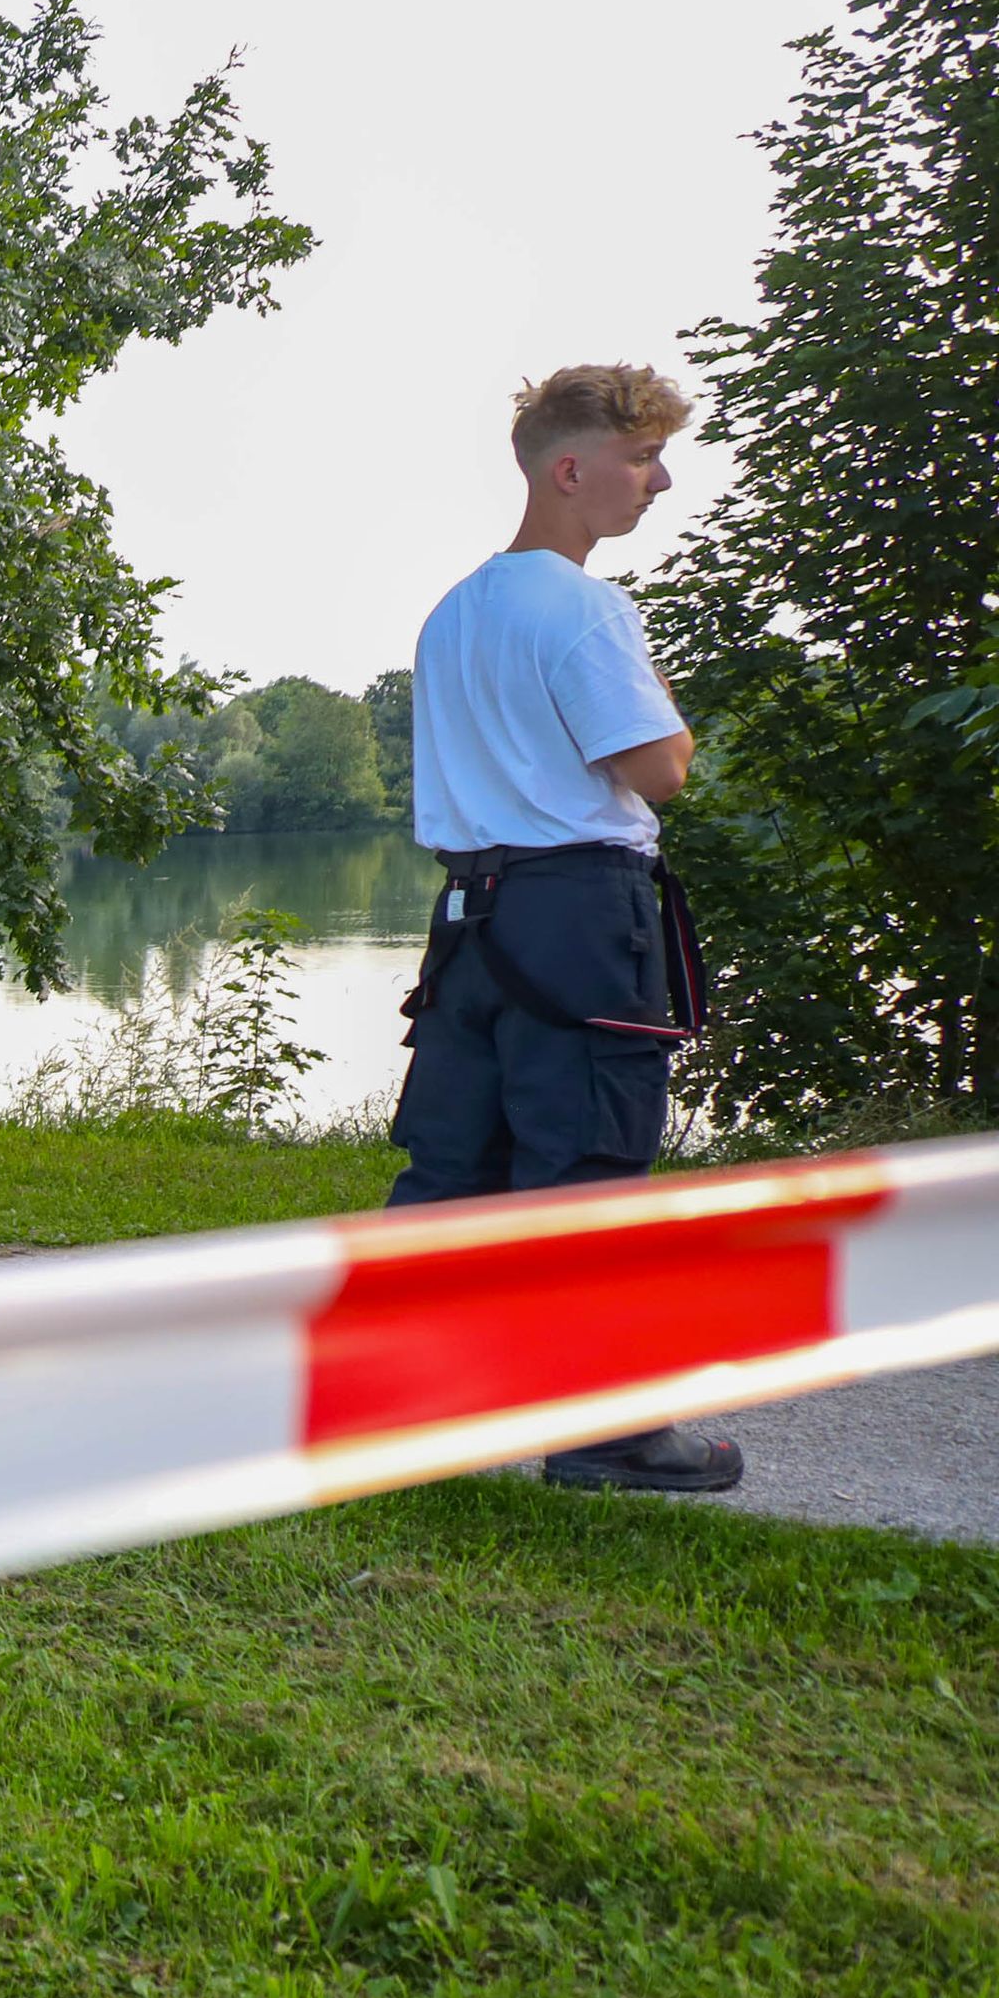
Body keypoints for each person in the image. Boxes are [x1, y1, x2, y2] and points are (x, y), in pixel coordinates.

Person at [391, 362, 740, 1494]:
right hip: (577, 913)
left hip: (467, 917)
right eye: (640, 459)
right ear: (570, 468)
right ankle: (604, 1435)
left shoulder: (453, 612)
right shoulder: (582, 606)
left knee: (453, 1166)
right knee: (587, 1159)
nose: (660, 480)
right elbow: (658, 768)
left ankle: (398, 1404)